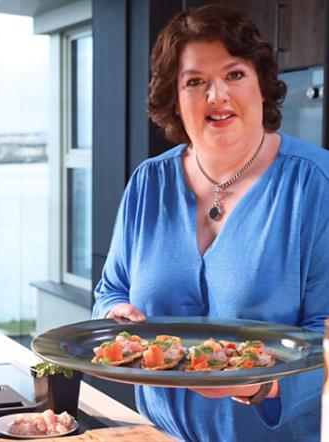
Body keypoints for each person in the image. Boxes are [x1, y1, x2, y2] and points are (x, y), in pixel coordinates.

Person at [92, 4, 329, 442]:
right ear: (175, 100)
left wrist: (265, 384)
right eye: (195, 82)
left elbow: (327, 334)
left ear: (262, 85)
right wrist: (114, 316)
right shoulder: (148, 184)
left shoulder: (315, 185)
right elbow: (111, 289)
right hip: (156, 434)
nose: (216, 96)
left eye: (234, 74)